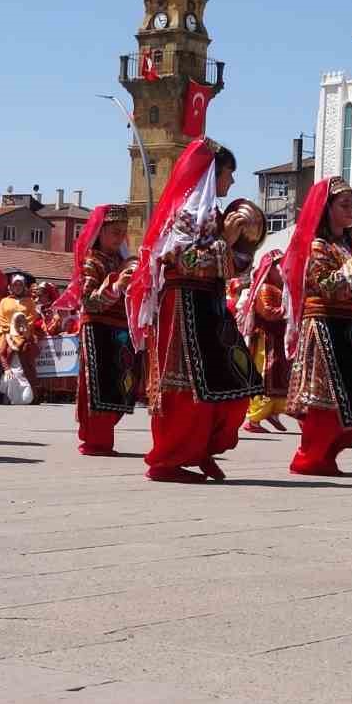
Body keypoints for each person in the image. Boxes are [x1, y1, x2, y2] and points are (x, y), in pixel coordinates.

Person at [126, 139, 264, 482]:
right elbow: (181, 261)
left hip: (211, 307)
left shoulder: (213, 214)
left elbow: (228, 267)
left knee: (237, 380)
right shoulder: (185, 212)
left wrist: (239, 247)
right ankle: (169, 459)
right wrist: (226, 243)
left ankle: (200, 449)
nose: (231, 183)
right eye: (229, 174)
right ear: (212, 173)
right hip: (184, 310)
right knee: (187, 388)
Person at [281, 176, 352, 474]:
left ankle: (326, 455)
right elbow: (326, 285)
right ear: (327, 208)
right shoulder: (317, 246)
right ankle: (309, 458)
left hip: (348, 329)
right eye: (344, 204)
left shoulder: (345, 246)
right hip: (323, 328)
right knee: (325, 403)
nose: (351, 210)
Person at [62, 203, 137, 455]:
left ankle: (101, 437)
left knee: (122, 384)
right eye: (114, 231)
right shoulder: (91, 262)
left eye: (122, 232)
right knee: (99, 385)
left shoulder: (123, 261)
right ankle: (96, 440)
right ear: (101, 232)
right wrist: (114, 288)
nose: (119, 237)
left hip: (121, 329)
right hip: (97, 329)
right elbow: (87, 301)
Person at [239, 249, 290, 434]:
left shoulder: (281, 289)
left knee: (278, 375)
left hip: (277, 339)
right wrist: (288, 311)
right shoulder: (265, 288)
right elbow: (267, 312)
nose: (283, 269)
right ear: (270, 269)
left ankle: (272, 412)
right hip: (266, 341)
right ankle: (253, 419)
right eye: (279, 266)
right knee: (265, 375)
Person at [0, 273, 41, 404]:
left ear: (24, 287)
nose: (17, 287)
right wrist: (10, 331)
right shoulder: (4, 301)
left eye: (20, 284)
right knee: (5, 360)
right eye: (15, 284)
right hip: (7, 334)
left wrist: (21, 332)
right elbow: (1, 317)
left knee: (26, 365)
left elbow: (31, 319)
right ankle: (5, 395)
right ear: (11, 286)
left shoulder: (29, 302)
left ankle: (30, 395)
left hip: (24, 335)